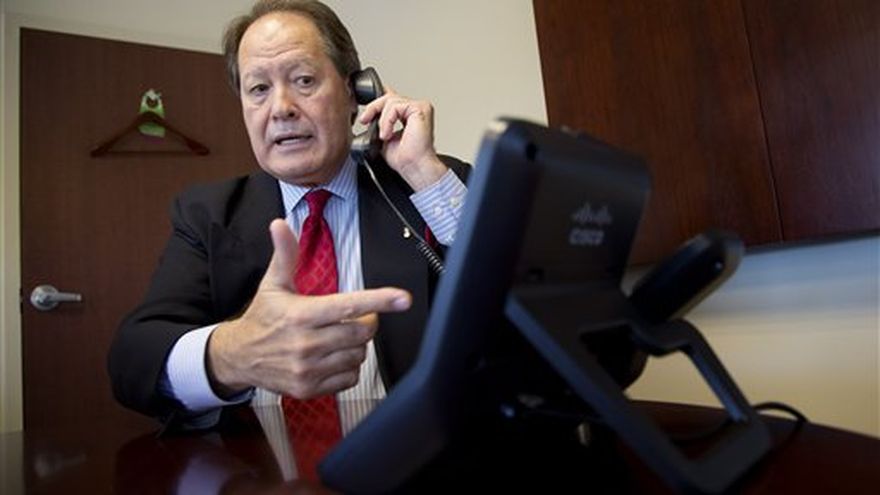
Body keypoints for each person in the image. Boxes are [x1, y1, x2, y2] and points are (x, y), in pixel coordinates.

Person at [107, 0, 469, 434]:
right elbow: (132, 361)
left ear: (356, 92)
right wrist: (234, 354)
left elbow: (523, 320)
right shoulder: (208, 214)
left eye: (304, 80)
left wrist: (422, 173)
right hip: (255, 463)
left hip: (412, 452)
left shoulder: (427, 184)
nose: (281, 107)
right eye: (258, 88)